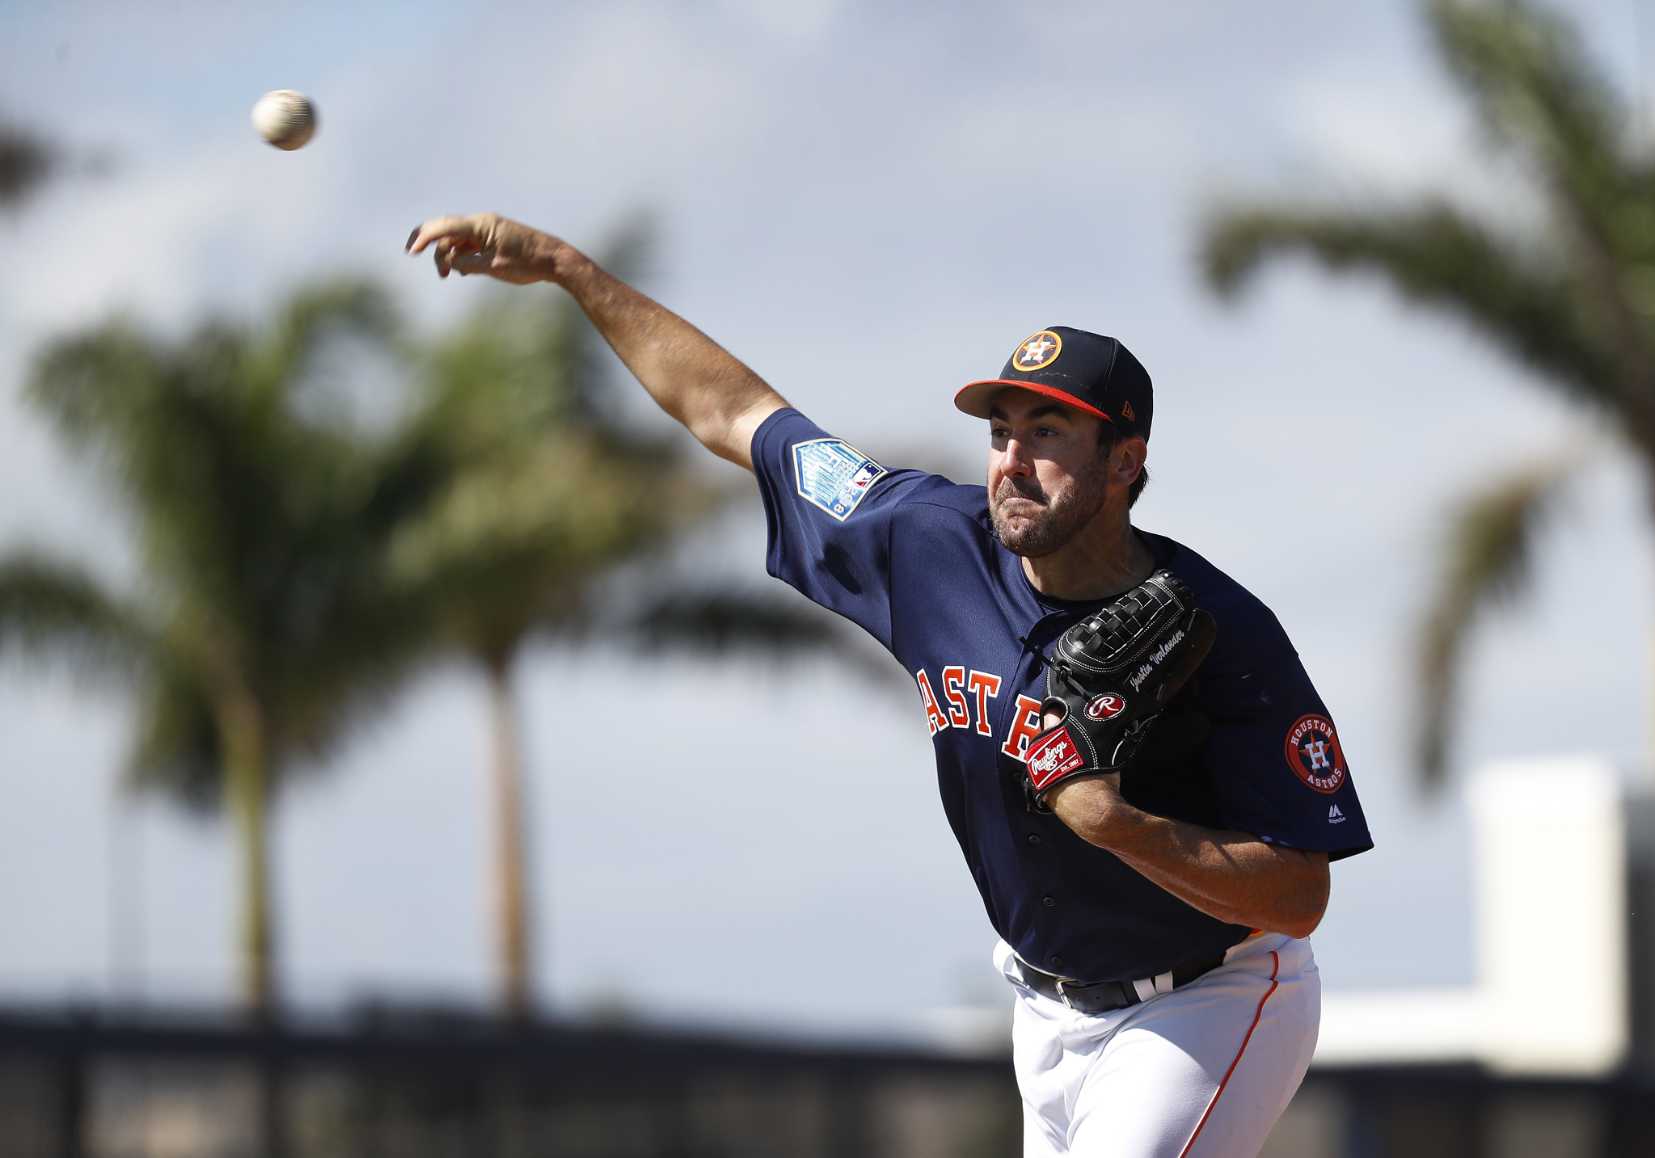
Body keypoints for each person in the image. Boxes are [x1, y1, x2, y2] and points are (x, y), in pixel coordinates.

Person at [406, 213, 1374, 1156]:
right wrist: (572, 270)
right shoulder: (924, 539)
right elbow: (738, 415)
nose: (1011, 461)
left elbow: (1296, 896)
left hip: (1212, 1000)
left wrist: (1120, 827)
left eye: (1048, 433)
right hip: (1040, 1009)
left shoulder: (1219, 629)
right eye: (1001, 431)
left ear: (1125, 461)